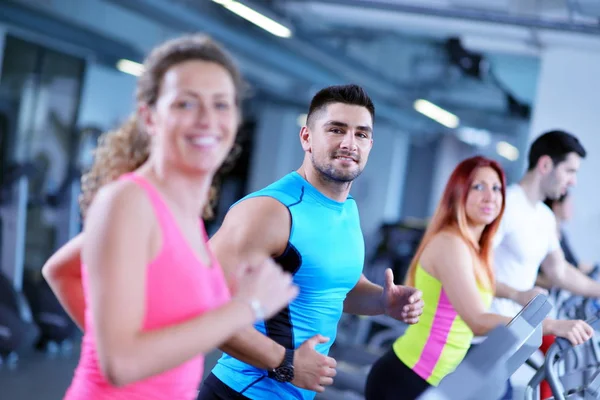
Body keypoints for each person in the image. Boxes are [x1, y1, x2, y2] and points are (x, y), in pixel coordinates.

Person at [43, 34, 298, 400]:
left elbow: (60, 270)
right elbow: (121, 365)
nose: (208, 119)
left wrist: (132, 349)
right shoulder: (129, 202)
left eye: (221, 104)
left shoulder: (183, 211)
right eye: (186, 103)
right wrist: (247, 307)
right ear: (150, 117)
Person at [197, 84, 425, 400]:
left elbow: (331, 288)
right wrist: (286, 362)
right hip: (241, 393)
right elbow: (200, 305)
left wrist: (383, 301)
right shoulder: (270, 211)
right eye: (336, 130)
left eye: (360, 134)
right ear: (306, 137)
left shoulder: (347, 210)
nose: (349, 143)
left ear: (370, 144)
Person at [476, 130, 599, 400]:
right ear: (545, 165)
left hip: (509, 339)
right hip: (481, 336)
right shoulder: (504, 205)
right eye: (569, 171)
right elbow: (474, 271)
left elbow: (561, 271)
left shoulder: (544, 217)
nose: (573, 181)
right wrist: (518, 295)